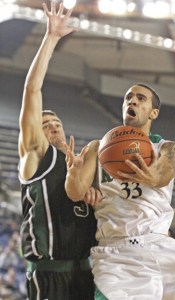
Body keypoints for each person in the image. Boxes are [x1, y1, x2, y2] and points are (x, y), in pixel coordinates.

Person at [64, 83, 175, 299]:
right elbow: (75, 193)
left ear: (154, 112)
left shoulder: (168, 148)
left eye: (141, 98)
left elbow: (163, 174)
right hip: (118, 250)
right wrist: (73, 174)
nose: (132, 101)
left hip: (161, 246)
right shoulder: (98, 148)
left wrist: (148, 176)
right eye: (128, 97)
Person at [18, 2, 100, 299]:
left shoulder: (83, 163)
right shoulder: (37, 155)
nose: (52, 126)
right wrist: (51, 38)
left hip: (87, 270)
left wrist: (95, 199)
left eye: (56, 122)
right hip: (50, 273)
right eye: (45, 123)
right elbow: (32, 92)